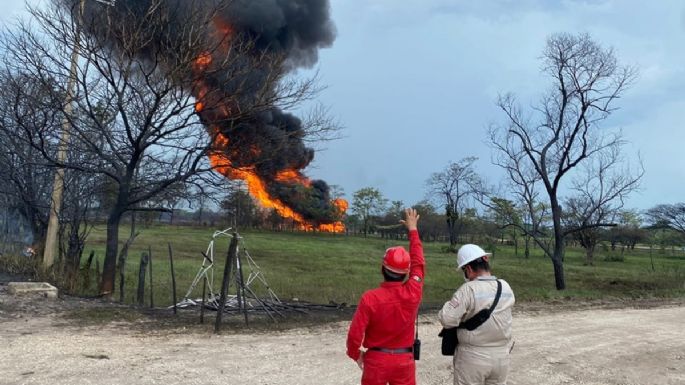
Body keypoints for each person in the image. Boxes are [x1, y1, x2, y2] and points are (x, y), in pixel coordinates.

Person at [346, 208, 424, 385]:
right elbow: (418, 263)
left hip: (376, 361)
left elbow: (354, 335)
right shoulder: (413, 291)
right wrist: (413, 230)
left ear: (382, 269)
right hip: (404, 361)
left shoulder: (370, 298)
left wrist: (356, 354)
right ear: (406, 273)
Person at [438, 244, 515, 385]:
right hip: (502, 357)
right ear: (486, 262)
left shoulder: (468, 289)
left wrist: (447, 306)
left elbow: (447, 319)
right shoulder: (505, 286)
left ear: (468, 269)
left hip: (473, 357)